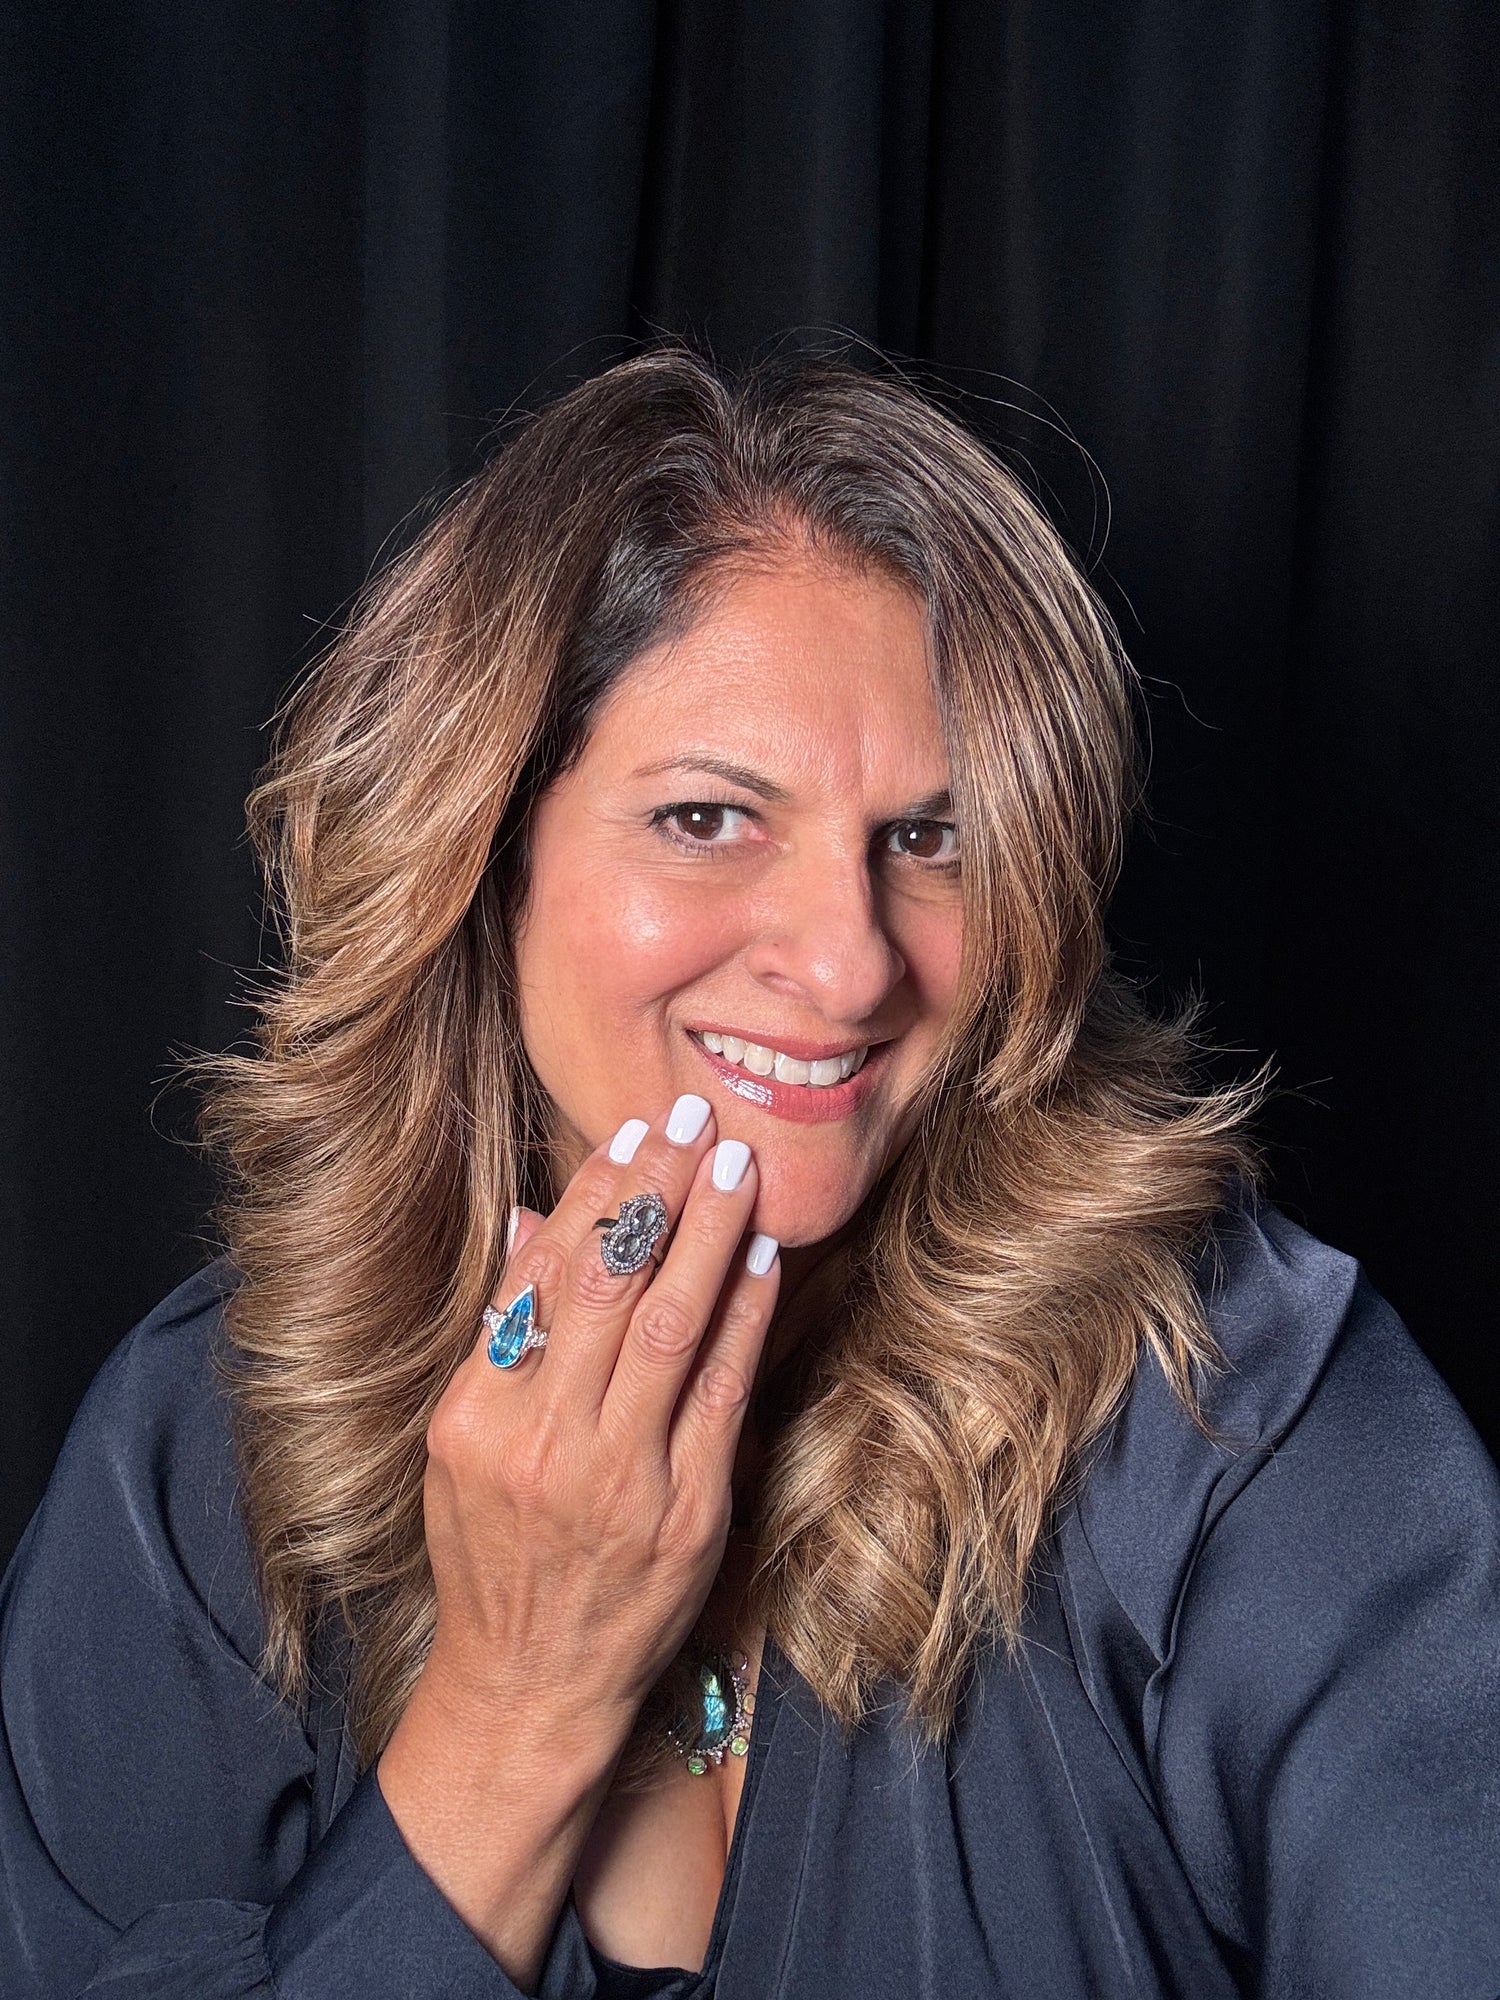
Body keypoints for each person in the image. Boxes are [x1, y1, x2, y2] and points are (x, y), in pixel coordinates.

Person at [2, 349, 1497, 2000]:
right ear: (480, 854)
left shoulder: (1242, 1416)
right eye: (711, 819)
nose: (851, 965)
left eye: (931, 840)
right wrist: (512, 1712)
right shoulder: (202, 1452)